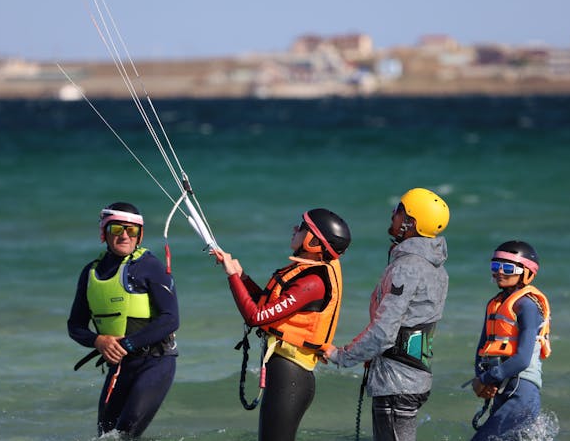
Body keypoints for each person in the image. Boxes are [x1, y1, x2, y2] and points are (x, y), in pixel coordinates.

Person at [213, 208, 351, 441]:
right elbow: (266, 310)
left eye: (302, 227)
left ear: (314, 241)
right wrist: (242, 276)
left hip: (291, 378)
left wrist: (232, 277)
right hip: (287, 376)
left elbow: (255, 317)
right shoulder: (307, 273)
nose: (295, 229)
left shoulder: (313, 282)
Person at [324, 187, 450, 441]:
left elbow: (383, 333)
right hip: (415, 376)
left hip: (397, 383)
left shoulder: (408, 267)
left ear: (410, 223)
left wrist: (341, 355)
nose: (392, 215)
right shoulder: (435, 268)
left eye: (398, 211)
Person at [67, 202, 179, 438]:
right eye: (117, 230)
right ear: (104, 233)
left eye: (132, 230)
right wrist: (99, 341)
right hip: (119, 367)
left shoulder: (150, 267)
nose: (125, 236)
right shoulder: (90, 273)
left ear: (140, 235)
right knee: (105, 435)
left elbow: (171, 319)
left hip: (155, 362)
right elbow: (75, 326)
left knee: (124, 432)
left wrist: (125, 345)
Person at [468, 241, 552, 440]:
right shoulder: (495, 304)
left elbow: (522, 359)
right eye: (495, 266)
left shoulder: (527, 306)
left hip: (521, 393)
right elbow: (482, 348)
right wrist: (481, 378)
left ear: (527, 272)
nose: (499, 272)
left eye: (508, 268)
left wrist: (485, 379)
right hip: (501, 388)